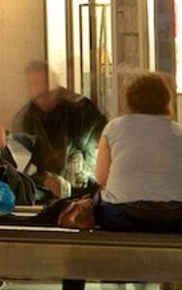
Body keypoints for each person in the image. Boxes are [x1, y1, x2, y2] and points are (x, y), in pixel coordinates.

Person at [64, 69, 182, 290]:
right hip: (177, 217)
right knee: (154, 221)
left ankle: (114, 286)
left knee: (100, 209)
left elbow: (101, 177)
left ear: (129, 99)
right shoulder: (179, 132)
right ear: (165, 99)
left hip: (123, 215)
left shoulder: (114, 128)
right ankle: (145, 284)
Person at [7, 60, 108, 201]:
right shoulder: (26, 119)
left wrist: (78, 179)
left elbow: (100, 152)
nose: (39, 90)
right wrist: (44, 179)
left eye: (43, 82)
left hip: (86, 197)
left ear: (54, 83)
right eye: (33, 84)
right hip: (44, 199)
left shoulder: (82, 111)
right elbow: (21, 163)